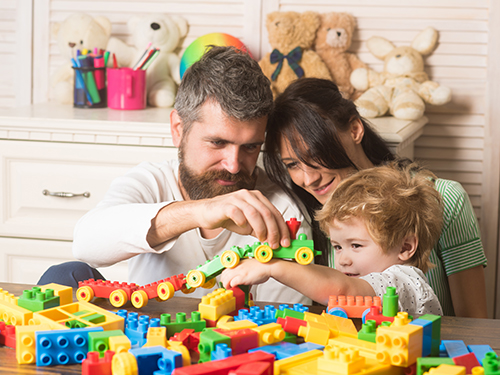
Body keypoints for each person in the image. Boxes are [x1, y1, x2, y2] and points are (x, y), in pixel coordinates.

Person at [39, 46, 312, 304]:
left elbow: (280, 331)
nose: (233, 165)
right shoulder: (151, 182)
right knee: (64, 277)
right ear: (178, 129)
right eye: (217, 143)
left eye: (251, 147)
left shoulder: (282, 210)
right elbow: (86, 244)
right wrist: (199, 212)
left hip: (232, 344)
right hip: (141, 340)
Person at [259, 78, 488, 317]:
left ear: (355, 130)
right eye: (293, 164)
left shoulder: (444, 198)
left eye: (316, 154)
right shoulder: (313, 215)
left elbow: (475, 323)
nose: (308, 179)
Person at [222, 163, 444, 316]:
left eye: (356, 245)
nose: (343, 260)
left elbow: (344, 291)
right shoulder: (365, 282)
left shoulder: (404, 282)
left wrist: (274, 267)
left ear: (405, 247)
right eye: (337, 246)